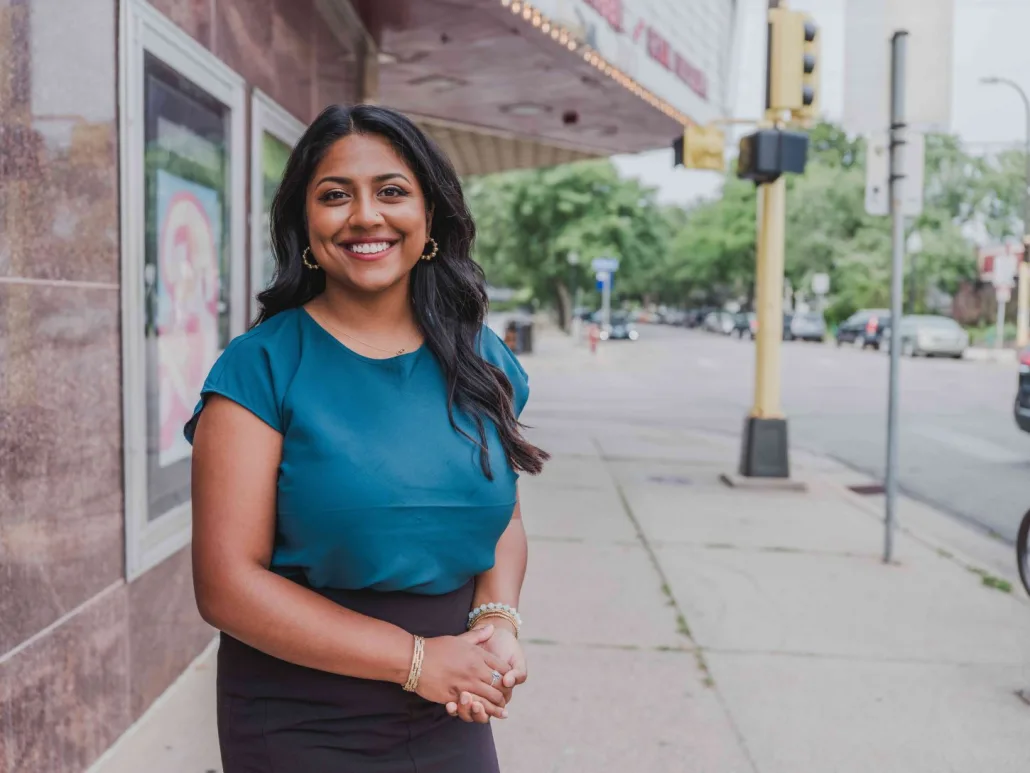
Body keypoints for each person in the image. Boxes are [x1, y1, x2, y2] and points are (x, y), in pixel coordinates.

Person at [185, 104, 549, 772]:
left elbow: (501, 514)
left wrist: (496, 620)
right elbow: (226, 584)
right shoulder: (260, 368)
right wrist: (416, 661)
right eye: (334, 196)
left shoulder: (484, 360)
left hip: (451, 703)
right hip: (301, 713)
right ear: (304, 224)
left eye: (391, 191)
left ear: (429, 216)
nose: (365, 216)